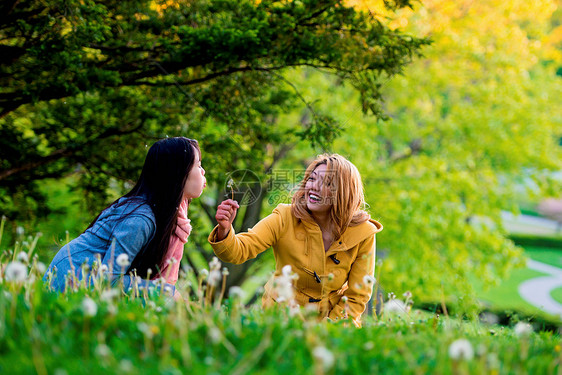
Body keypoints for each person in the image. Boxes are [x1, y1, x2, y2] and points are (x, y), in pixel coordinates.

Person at [208, 154, 382, 327]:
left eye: (327, 183)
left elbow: (357, 296)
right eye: (312, 179)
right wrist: (225, 229)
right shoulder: (284, 217)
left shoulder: (363, 233)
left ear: (344, 193)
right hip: (279, 319)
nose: (315, 187)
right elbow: (238, 252)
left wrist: (330, 329)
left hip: (334, 322)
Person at [43, 137, 206, 295]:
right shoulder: (140, 220)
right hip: (68, 284)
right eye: (198, 165)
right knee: (167, 297)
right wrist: (161, 289)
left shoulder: (171, 217)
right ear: (178, 174)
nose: (203, 171)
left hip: (89, 287)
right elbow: (108, 280)